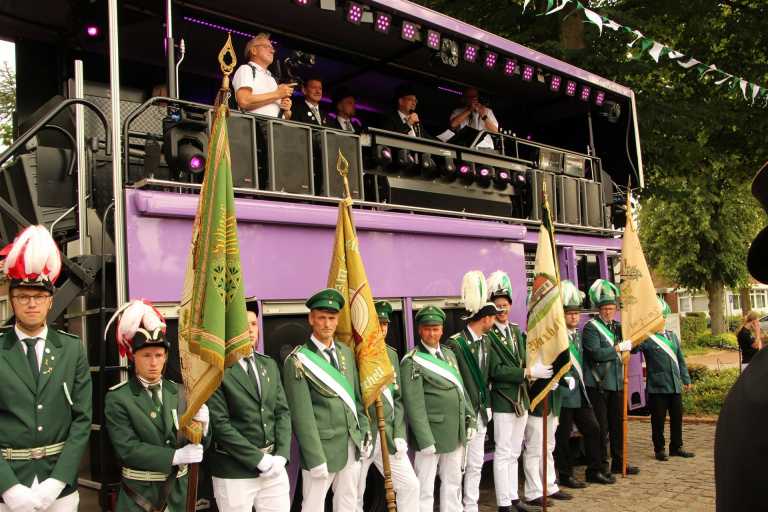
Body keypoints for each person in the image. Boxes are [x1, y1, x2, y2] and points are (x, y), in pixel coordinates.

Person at [0, 226, 92, 512]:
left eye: (39, 297)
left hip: (59, 488)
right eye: (23, 296)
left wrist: (57, 481)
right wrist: (8, 487)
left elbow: (82, 420)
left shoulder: (72, 349)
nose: (31, 304)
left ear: (50, 301)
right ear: (12, 300)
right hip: (10, 487)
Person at [105, 300, 210, 512]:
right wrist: (175, 457)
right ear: (133, 357)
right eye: (146, 355)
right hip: (141, 496)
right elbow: (127, 449)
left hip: (178, 496)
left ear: (165, 357)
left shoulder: (180, 392)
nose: (153, 363)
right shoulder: (119, 398)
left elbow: (197, 447)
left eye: (158, 355)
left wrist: (205, 429)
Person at [282, 288, 371, 512]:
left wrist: (364, 431)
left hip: (351, 444)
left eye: (332, 318)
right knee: (313, 506)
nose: (327, 324)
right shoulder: (298, 360)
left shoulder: (345, 353)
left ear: (338, 320)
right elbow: (302, 416)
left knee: (348, 503)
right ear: (311, 319)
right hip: (321, 449)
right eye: (321, 318)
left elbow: (356, 400)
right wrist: (314, 457)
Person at [207, 299, 292, 511]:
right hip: (234, 471)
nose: (251, 330)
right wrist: (258, 459)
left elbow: (282, 412)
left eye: (254, 324)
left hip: (273, 469)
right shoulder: (217, 370)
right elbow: (220, 425)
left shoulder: (269, 364)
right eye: (243, 325)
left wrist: (282, 455)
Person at [400, 305, 475, 512]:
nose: (432, 333)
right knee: (424, 487)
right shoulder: (412, 361)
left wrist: (470, 419)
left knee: (453, 482)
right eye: (427, 329)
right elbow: (414, 405)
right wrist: (425, 440)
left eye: (436, 329)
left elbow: (460, 390)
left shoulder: (449, 355)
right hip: (431, 435)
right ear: (420, 330)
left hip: (455, 432)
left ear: (442, 330)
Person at [485, 271, 542, 512]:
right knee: (503, 451)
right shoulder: (488, 336)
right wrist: (525, 372)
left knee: (515, 451)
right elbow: (495, 370)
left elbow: (524, 358)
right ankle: (503, 504)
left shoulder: (516, 331)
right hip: (502, 399)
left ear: (510, 305)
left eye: (505, 305)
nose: (502, 309)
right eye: (497, 306)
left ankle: (513, 497)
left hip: (521, 398)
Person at [442, 271, 498, 512]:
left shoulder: (486, 341)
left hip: (481, 412)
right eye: (492, 318)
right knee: (456, 467)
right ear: (484, 319)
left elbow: (487, 376)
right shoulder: (456, 344)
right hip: (462, 415)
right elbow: (455, 383)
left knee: (476, 463)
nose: (494, 322)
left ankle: (471, 505)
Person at [356, 301, 419, 512]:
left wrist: (399, 433)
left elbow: (398, 399)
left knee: (410, 485)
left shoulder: (391, 354)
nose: (382, 329)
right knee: (354, 495)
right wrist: (363, 431)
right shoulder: (356, 354)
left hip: (389, 436)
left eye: (385, 324)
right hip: (364, 437)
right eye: (378, 324)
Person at [553, 281, 615, 488]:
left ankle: (594, 470)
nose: (574, 317)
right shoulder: (557, 337)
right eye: (569, 313)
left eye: (576, 313)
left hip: (580, 393)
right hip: (563, 393)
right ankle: (565, 475)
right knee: (563, 437)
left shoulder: (577, 335)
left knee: (594, 429)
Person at [581, 279, 639, 476]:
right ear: (599, 309)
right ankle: (601, 466)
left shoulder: (618, 326)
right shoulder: (591, 327)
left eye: (611, 308)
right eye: (604, 308)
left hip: (617, 382)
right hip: (599, 383)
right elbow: (596, 353)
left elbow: (633, 348)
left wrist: (634, 339)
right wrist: (617, 348)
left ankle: (620, 462)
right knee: (601, 428)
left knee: (618, 426)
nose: (608, 311)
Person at [636, 297, 694, 461]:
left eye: (662, 317)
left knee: (677, 418)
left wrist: (686, 379)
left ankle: (676, 446)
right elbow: (633, 349)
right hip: (658, 386)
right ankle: (659, 449)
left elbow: (680, 360)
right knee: (658, 421)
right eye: (657, 317)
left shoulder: (672, 336)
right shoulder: (647, 338)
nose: (660, 320)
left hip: (674, 385)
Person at [233, 33, 294, 119]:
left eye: (272, 48)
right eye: (267, 46)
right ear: (254, 50)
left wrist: (286, 111)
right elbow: (244, 101)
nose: (272, 51)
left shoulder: (272, 78)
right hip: (255, 125)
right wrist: (277, 94)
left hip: (275, 126)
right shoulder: (246, 69)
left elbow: (284, 116)